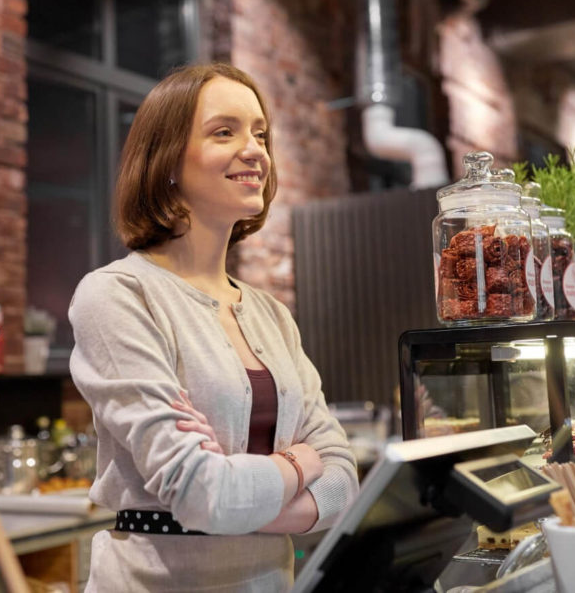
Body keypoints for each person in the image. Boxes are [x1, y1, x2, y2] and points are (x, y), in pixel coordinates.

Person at [68, 62, 359, 591]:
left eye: (260, 134)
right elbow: (204, 494)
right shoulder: (117, 295)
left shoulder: (272, 317)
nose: (255, 150)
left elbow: (344, 480)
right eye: (224, 132)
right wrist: (300, 461)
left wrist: (236, 499)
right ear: (167, 161)